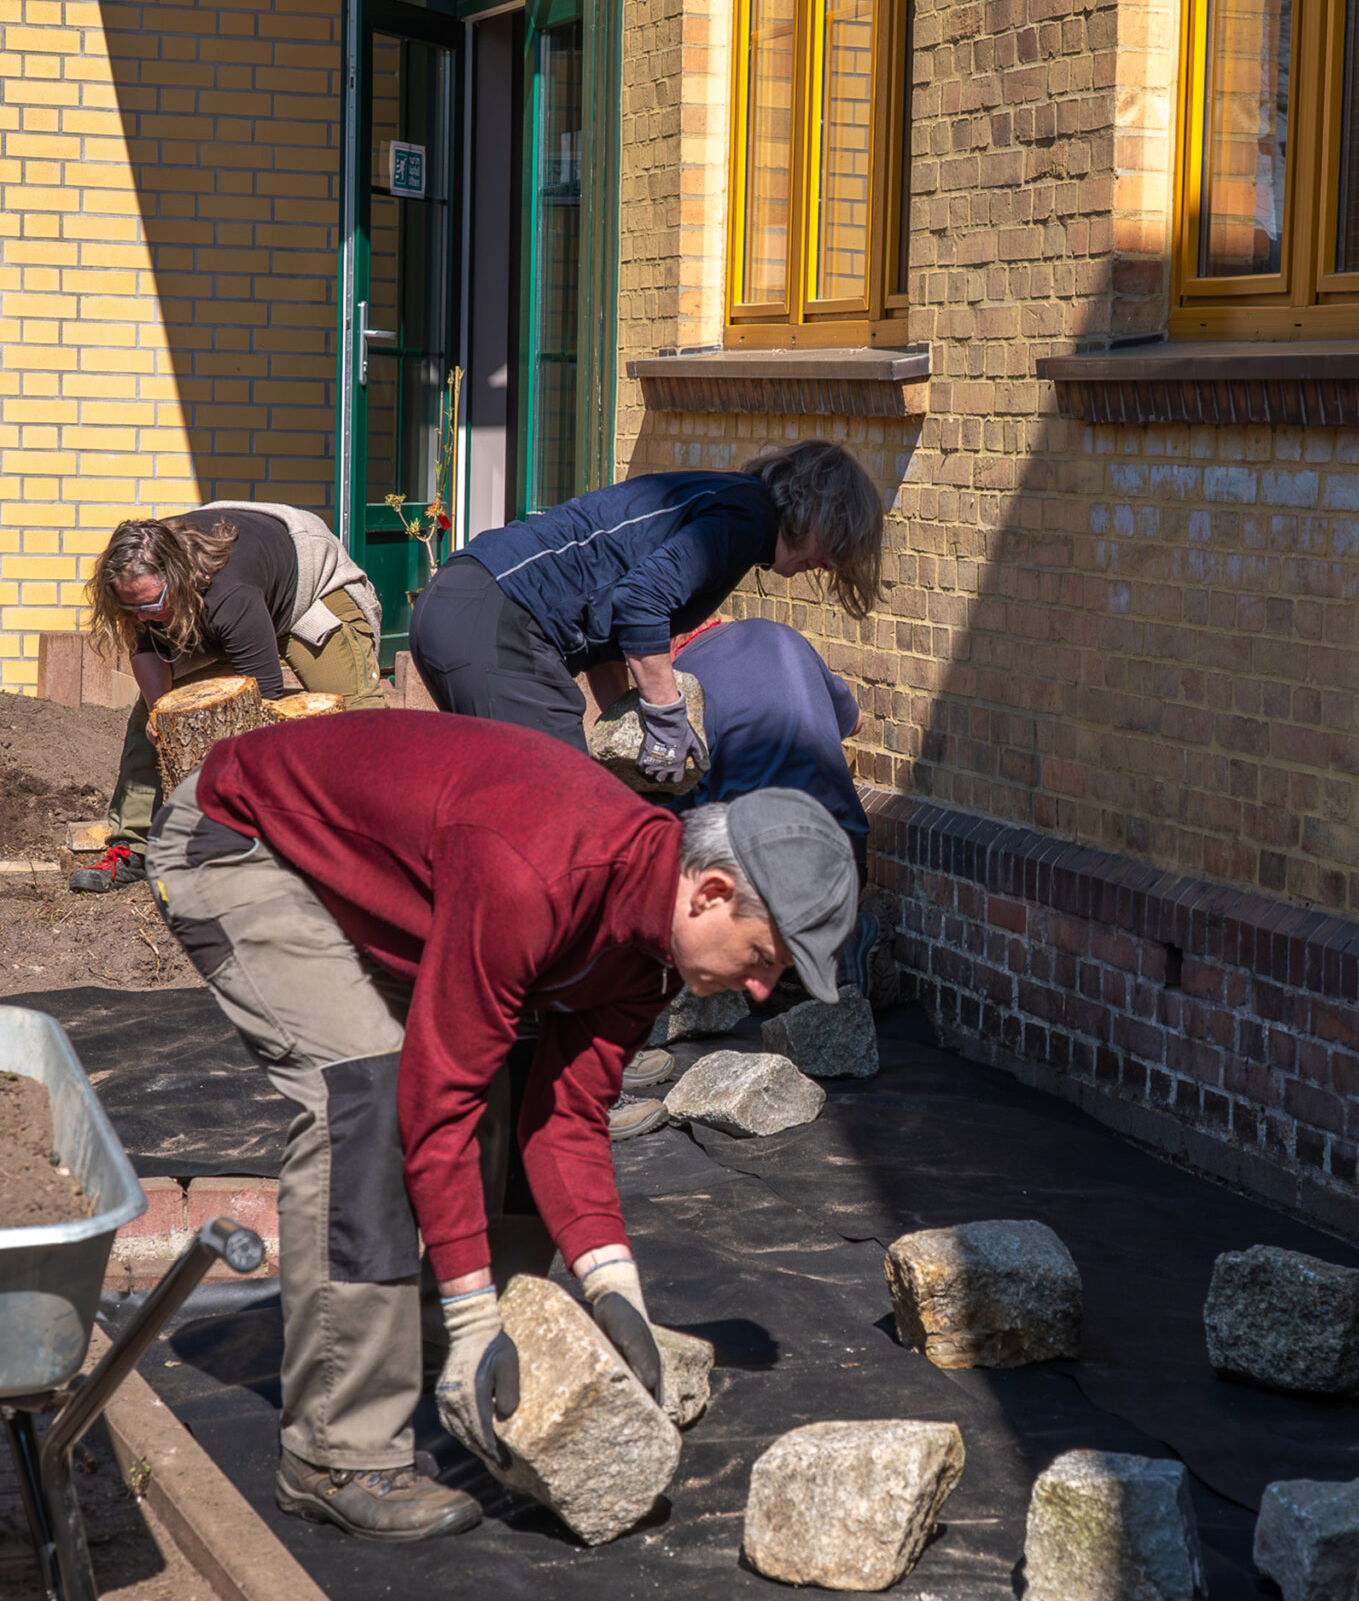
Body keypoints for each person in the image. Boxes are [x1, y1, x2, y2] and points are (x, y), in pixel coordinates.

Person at [144, 709, 859, 1542]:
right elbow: (437, 1097)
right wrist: (474, 1312)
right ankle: (338, 1454)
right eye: (763, 958)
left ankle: (452, 1358)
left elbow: (567, 1115)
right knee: (369, 1097)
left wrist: (612, 1286)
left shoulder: (650, 954)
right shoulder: (537, 872)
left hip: (387, 877)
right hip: (244, 841)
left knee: (511, 1086)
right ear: (709, 894)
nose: (762, 990)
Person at [407, 442, 884, 785]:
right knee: (566, 810)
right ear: (813, 505)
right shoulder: (747, 517)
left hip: (461, 605)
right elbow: (641, 601)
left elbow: (611, 633)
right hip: (499, 618)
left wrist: (628, 725)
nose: (829, 563)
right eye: (835, 541)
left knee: (514, 808)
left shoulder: (733, 505)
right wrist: (666, 717)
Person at [75, 503, 386, 893]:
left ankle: (388, 840)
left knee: (356, 715)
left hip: (309, 588)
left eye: (150, 605)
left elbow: (263, 695)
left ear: (176, 579)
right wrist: (159, 712)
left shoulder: (229, 593)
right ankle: (134, 849)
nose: (141, 616)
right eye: (130, 607)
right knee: (152, 719)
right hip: (210, 610)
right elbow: (148, 647)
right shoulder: (140, 586)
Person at [671, 615, 868, 881]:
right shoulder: (782, 634)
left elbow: (670, 817)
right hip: (846, 848)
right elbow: (856, 721)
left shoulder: (677, 688)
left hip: (761, 871)